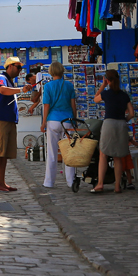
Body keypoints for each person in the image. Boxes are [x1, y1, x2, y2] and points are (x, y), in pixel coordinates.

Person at [0, 56, 31, 191]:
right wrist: (20, 90)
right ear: (10, 66)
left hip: (8, 120)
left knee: (4, 153)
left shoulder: (9, 81)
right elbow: (2, 90)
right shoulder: (1, 79)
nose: (20, 71)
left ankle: (1, 182)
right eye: (18, 67)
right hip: (0, 120)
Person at [90, 69, 134, 194]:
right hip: (121, 124)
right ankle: (117, 186)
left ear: (108, 80)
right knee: (118, 157)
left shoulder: (106, 94)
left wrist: (103, 86)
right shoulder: (124, 95)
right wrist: (124, 120)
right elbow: (132, 113)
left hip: (108, 124)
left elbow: (95, 99)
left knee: (103, 154)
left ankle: (100, 184)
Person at [40, 61, 77, 189]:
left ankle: (49, 182)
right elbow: (73, 106)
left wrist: (43, 122)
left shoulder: (48, 87)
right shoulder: (69, 86)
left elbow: (46, 106)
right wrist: (75, 120)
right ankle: (71, 181)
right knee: (69, 152)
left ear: (51, 72)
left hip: (53, 121)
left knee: (52, 152)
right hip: (67, 120)